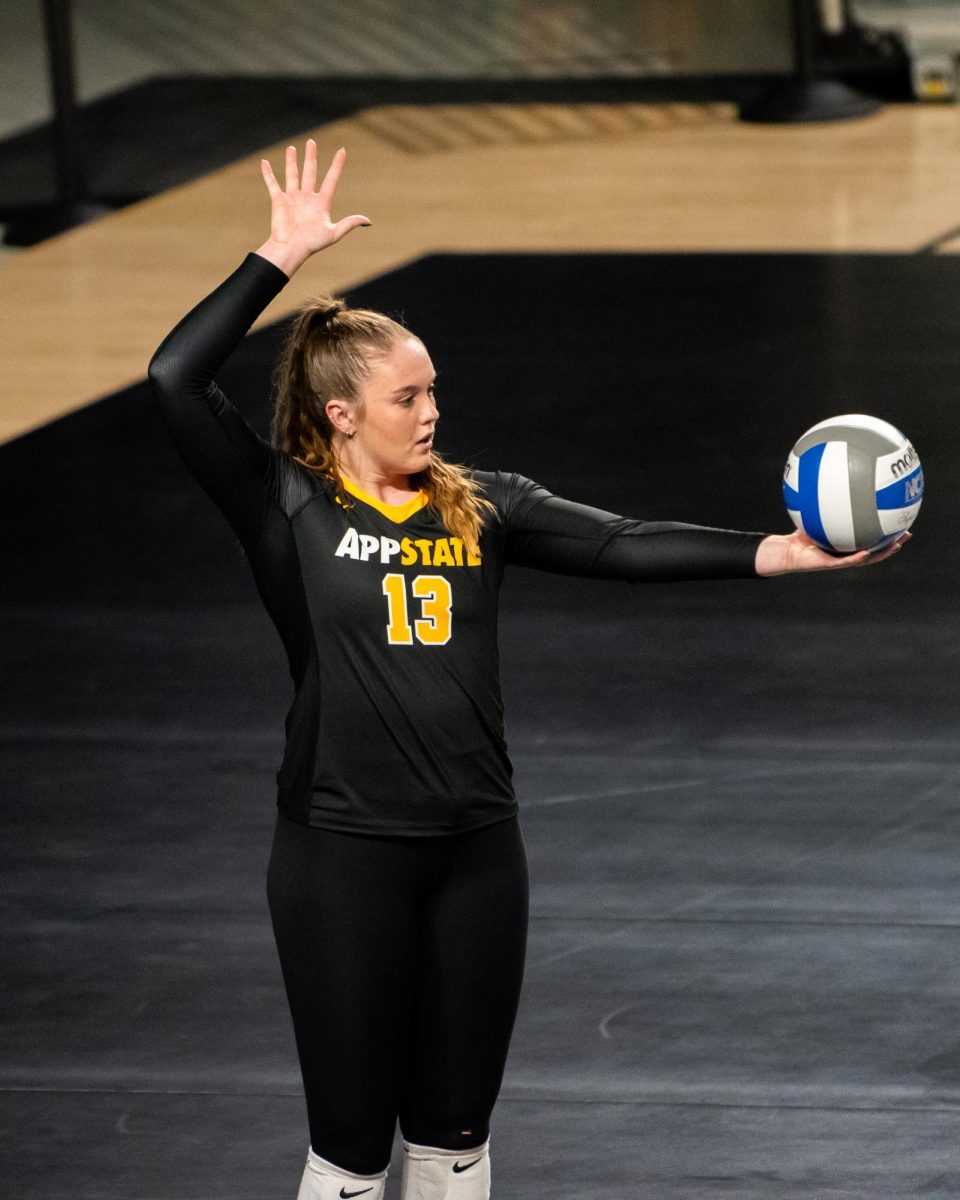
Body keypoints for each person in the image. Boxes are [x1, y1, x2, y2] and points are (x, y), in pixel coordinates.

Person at [148, 141, 908, 1200]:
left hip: (476, 852)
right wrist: (275, 258)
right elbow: (175, 377)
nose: (432, 412)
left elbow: (622, 543)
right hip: (342, 859)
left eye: (434, 391)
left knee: (456, 1139)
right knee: (353, 1150)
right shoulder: (285, 507)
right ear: (341, 416)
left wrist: (772, 553)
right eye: (408, 398)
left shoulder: (483, 503)